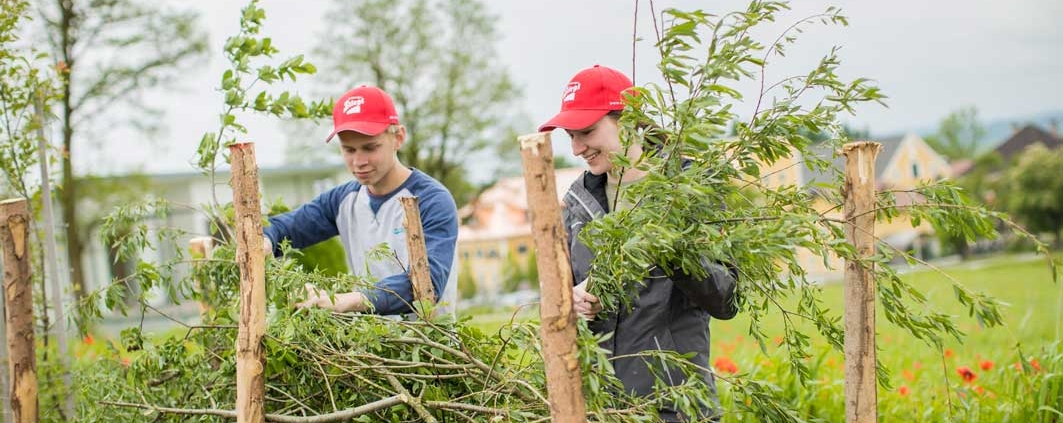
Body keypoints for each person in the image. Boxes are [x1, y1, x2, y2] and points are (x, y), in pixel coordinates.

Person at [539, 65, 739, 421]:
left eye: (586, 132)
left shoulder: (689, 190)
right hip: (602, 406)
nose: (576, 148)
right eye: (570, 135)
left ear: (628, 121)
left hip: (675, 405)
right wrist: (572, 300)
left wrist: (669, 247)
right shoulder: (578, 201)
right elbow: (562, 293)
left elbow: (726, 298)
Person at [264, 85, 459, 316]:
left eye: (370, 148)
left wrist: (349, 300)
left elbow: (428, 283)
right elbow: (285, 227)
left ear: (398, 138)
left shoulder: (432, 201)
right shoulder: (342, 200)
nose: (359, 161)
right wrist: (265, 240)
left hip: (430, 346)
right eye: (349, 150)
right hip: (368, 347)